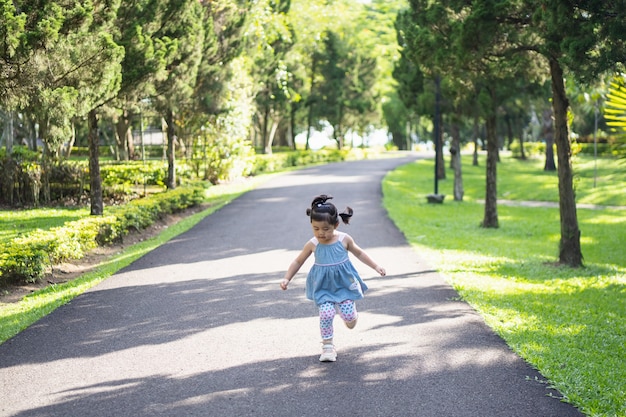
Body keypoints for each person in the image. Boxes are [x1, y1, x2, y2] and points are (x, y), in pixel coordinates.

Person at [280, 194, 386, 362]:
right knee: (326, 313)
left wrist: (376, 266)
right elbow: (298, 261)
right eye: (316, 228)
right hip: (323, 286)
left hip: (344, 284)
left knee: (349, 317)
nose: (320, 233)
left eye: (325, 229)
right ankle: (328, 346)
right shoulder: (313, 244)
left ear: (335, 224)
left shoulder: (345, 239)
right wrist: (287, 278)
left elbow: (359, 253)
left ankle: (351, 317)